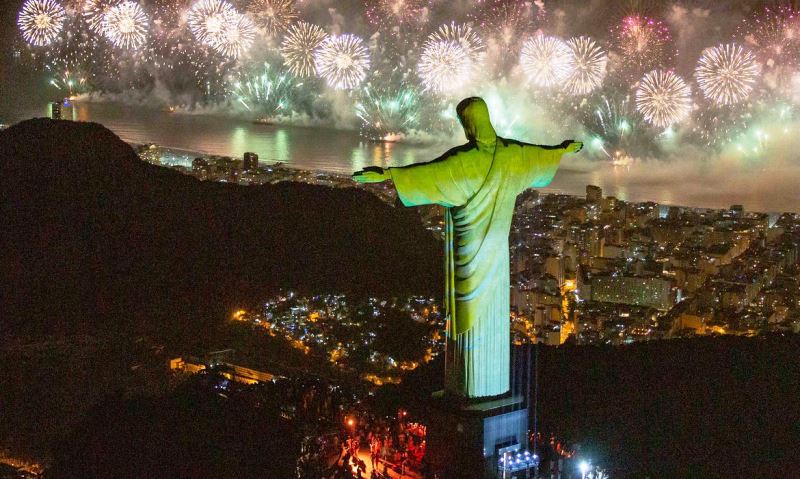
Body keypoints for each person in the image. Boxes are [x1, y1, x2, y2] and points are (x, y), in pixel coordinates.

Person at [353, 97, 581, 398]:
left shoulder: (464, 161)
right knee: (492, 314)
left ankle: (469, 386)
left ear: (468, 124)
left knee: (467, 315)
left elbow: (427, 174)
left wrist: (388, 174)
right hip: (497, 256)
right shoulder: (513, 155)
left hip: (468, 254)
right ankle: (491, 385)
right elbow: (540, 157)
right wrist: (562, 150)